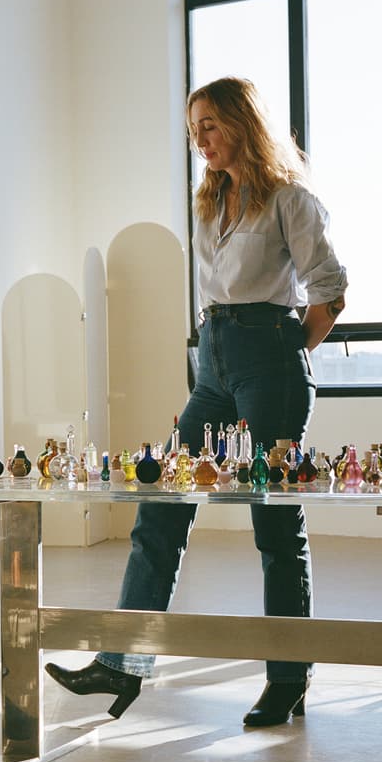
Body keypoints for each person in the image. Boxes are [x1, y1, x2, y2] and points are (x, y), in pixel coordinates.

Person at [46, 76, 348, 728]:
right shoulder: (208, 203)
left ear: (244, 121)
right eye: (194, 128)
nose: (200, 139)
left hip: (269, 357)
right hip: (212, 364)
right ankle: (122, 663)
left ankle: (287, 678)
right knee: (161, 501)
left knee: (274, 525)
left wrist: (283, 354)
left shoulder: (290, 200)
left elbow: (327, 294)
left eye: (210, 123)